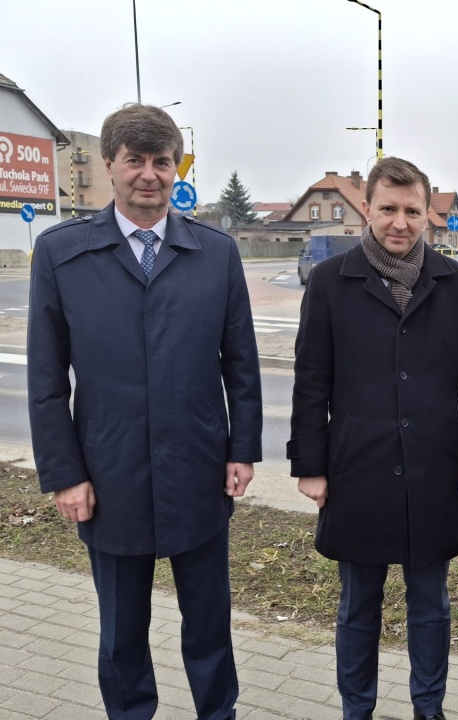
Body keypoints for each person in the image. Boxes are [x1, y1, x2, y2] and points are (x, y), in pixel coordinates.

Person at [27, 104, 263, 720]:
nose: (149, 175)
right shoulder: (61, 255)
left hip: (199, 469)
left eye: (163, 161)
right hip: (109, 476)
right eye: (135, 160)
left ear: (176, 166)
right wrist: (64, 474)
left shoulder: (215, 254)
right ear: (110, 165)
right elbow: (47, 382)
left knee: (209, 623)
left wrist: (242, 449)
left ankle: (219, 712)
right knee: (121, 634)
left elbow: (241, 365)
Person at [288, 156, 458, 720]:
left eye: (411, 210)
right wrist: (311, 464)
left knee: (431, 604)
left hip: (435, 467)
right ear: (366, 212)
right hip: (357, 468)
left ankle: (430, 709)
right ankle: (358, 710)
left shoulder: (456, 282)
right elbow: (312, 380)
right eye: (387, 209)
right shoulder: (331, 282)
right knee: (358, 606)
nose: (399, 222)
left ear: (427, 214)